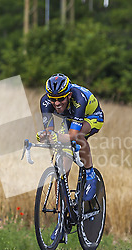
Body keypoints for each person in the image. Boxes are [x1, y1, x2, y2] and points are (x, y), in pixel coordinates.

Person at [37, 73, 104, 202]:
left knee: (78, 136)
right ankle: (62, 217)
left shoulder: (79, 98)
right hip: (70, 120)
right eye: (53, 99)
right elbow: (50, 131)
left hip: (92, 117)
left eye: (61, 99)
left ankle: (90, 175)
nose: (56, 103)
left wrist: (56, 136)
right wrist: (46, 135)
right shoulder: (45, 102)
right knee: (62, 170)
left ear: (69, 95)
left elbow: (73, 135)